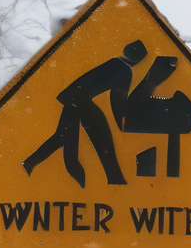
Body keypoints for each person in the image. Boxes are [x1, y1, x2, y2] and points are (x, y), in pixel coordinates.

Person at [23, 40, 148, 187]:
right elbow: (118, 102)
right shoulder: (126, 71)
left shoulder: (115, 62)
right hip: (80, 100)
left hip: (76, 97)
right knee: (99, 136)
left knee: (64, 136)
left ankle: (29, 163)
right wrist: (126, 122)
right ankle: (115, 180)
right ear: (139, 60)